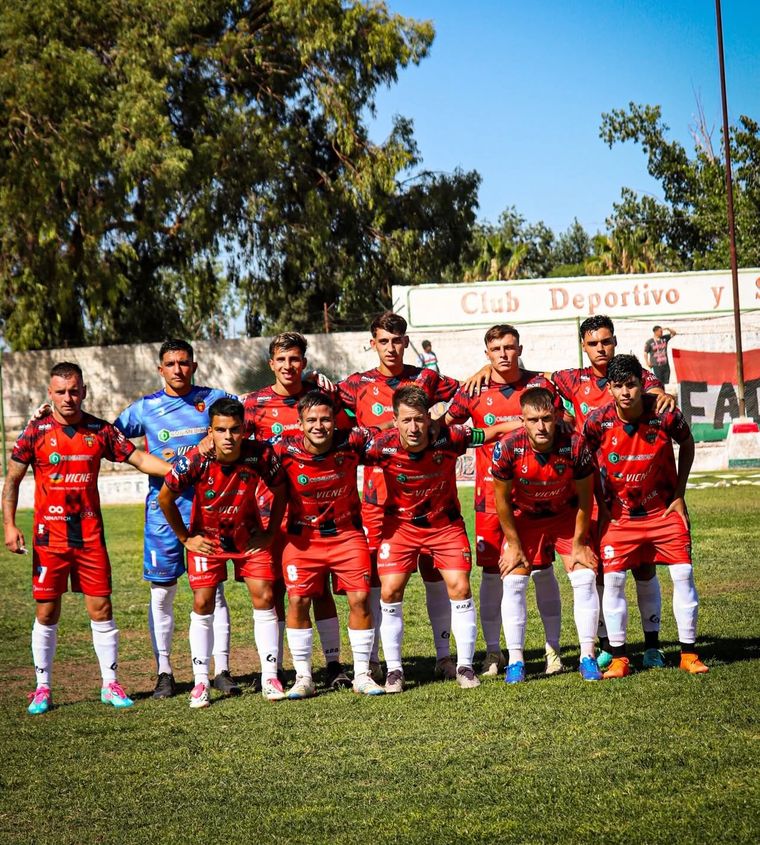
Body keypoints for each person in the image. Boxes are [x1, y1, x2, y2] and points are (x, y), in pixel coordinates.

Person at [3, 362, 171, 715]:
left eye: (74, 391)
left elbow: (139, 458)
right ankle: (42, 688)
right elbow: (13, 480)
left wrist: (178, 470)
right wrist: (9, 525)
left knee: (102, 609)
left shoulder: (100, 430)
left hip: (90, 538)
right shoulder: (35, 431)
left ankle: (110, 684)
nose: (68, 397)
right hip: (49, 539)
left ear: (84, 391)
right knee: (47, 611)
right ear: (50, 393)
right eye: (61, 392)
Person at [338, 312, 464, 682]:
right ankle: (377, 660)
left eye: (397, 341)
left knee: (435, 575)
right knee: (381, 583)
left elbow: (465, 395)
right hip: (378, 503)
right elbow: (324, 411)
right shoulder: (357, 384)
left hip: (430, 499)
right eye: (384, 341)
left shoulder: (426, 379)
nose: (391, 348)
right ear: (372, 343)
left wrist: (441, 421)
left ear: (406, 342)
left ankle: (444, 657)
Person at [363, 385, 512, 693]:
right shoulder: (381, 445)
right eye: (406, 420)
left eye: (419, 419)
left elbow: (492, 433)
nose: (413, 428)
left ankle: (464, 666)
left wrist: (524, 423)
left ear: (429, 418)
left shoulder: (450, 438)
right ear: (395, 420)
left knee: (460, 586)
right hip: (400, 528)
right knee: (389, 590)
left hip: (445, 526)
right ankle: (394, 671)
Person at [115, 339, 239, 699]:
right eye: (170, 364)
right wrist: (160, 467)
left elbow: (254, 411)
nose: (177, 369)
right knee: (162, 593)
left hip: (208, 512)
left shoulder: (213, 399)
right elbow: (110, 438)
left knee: (213, 593)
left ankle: (222, 669)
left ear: (194, 366)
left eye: (184, 363)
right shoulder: (146, 408)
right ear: (160, 369)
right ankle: (164, 672)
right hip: (163, 514)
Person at [551, 315, 675, 670]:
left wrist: (662, 395)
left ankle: (652, 645)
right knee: (602, 570)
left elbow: (656, 392)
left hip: (639, 492)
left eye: (606, 341)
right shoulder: (571, 379)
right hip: (595, 493)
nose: (600, 348)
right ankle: (609, 644)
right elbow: (532, 380)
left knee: (645, 568)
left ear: (615, 342)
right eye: (593, 343)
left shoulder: (639, 377)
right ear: (583, 346)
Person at [446, 324, 565, 677]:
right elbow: (447, 428)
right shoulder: (473, 390)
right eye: (496, 349)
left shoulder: (540, 386)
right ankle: (494, 653)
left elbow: (564, 422)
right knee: (491, 573)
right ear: (487, 353)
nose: (503, 354)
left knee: (542, 569)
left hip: (535, 497)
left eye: (509, 347)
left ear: (520, 349)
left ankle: (553, 650)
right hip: (489, 496)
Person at [583, 354, 708, 678]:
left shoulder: (664, 413)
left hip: (662, 512)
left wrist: (679, 494)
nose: (625, 392)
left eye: (631, 385)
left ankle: (688, 654)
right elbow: (585, 462)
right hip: (620, 518)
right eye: (618, 386)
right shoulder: (597, 421)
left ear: (642, 384)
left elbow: (687, 443)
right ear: (609, 388)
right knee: (613, 581)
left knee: (683, 575)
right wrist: (601, 504)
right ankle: (620, 659)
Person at [158, 398, 288, 706]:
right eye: (220, 430)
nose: (228, 436)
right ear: (210, 431)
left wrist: (270, 532)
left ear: (244, 430)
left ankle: (270, 676)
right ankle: (201, 682)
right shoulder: (195, 459)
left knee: (265, 596)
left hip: (248, 537)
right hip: (208, 540)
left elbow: (281, 489)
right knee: (203, 601)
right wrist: (185, 538)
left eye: (234, 429)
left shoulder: (260, 454)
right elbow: (165, 498)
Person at [243, 332, 351, 689]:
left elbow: (347, 433)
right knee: (273, 590)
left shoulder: (320, 396)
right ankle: (274, 671)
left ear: (304, 362)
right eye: (282, 359)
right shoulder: (255, 404)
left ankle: (333, 665)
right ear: (271, 364)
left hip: (315, 512)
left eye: (295, 359)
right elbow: (239, 448)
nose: (288, 366)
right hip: (270, 510)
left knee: (319, 591)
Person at [270, 391, 385, 698]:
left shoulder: (352, 442)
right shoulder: (282, 448)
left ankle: (362, 674)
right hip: (303, 540)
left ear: (335, 422)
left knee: (360, 598)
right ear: (299, 424)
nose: (318, 426)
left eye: (325, 419)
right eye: (311, 420)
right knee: (298, 601)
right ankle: (303, 677)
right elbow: (245, 453)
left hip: (347, 535)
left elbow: (390, 432)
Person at [491, 387, 602, 683]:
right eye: (533, 420)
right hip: (525, 518)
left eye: (546, 418)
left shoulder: (575, 444)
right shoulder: (508, 447)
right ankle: (516, 661)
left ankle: (587, 656)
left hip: (566, 515)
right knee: (513, 580)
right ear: (522, 420)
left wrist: (579, 543)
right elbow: (502, 501)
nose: (541, 426)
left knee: (584, 575)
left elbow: (585, 497)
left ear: (556, 417)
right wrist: (513, 545)